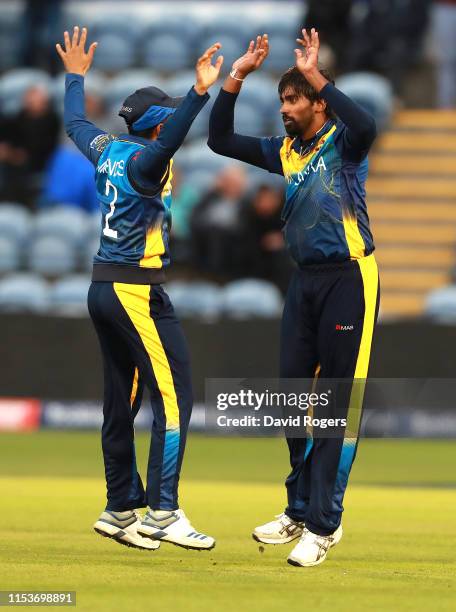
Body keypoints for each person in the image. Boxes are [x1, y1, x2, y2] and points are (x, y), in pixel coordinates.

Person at [208, 29, 379, 567]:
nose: (284, 109)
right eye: (282, 99)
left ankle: (325, 524)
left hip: (348, 279)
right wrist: (235, 77)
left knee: (331, 408)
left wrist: (316, 74)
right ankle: (299, 509)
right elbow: (219, 140)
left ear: (317, 102)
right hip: (303, 282)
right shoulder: (286, 152)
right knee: (291, 403)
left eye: (294, 98)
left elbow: (368, 122)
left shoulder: (345, 145)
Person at [56, 26, 224, 551]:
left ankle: (120, 507)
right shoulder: (149, 162)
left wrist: (75, 77)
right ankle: (163, 512)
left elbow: (75, 122)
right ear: (156, 127)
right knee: (175, 399)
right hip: (135, 289)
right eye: (166, 115)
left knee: (120, 401)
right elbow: (174, 136)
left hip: (102, 287)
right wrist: (199, 92)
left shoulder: (107, 149)